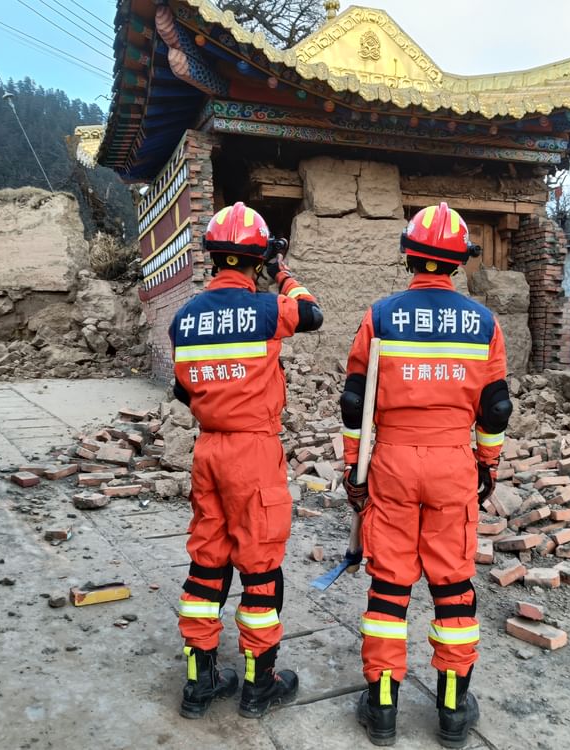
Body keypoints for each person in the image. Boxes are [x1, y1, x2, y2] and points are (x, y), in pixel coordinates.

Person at [339, 202, 511, 747]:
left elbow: (353, 401)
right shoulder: (484, 323)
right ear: (459, 262)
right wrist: (487, 465)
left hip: (390, 463)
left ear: (409, 255)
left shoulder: (381, 315)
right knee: (454, 586)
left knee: (389, 586)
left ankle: (383, 706)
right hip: (452, 465)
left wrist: (354, 468)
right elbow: (496, 408)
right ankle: (454, 710)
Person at [169, 201, 324, 721]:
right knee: (260, 567)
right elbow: (312, 312)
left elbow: (182, 391)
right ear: (257, 259)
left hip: (208, 448)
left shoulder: (184, 319)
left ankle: (199, 681)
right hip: (253, 451)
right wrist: (284, 272)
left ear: (213, 257)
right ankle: (260, 685)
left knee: (206, 561)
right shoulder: (265, 307)